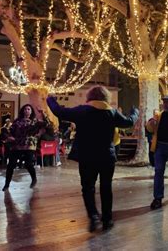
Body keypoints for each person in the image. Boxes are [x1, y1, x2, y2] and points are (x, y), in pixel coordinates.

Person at [47, 86, 139, 232]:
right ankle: (107, 220)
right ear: (106, 97)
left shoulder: (82, 110)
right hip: (106, 156)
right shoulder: (112, 113)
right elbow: (128, 122)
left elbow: (59, 111)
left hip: (87, 156)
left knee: (88, 188)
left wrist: (50, 99)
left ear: (89, 97)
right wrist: (135, 112)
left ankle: (93, 216)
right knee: (106, 188)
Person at [2, 105, 51, 191]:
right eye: (25, 109)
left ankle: (34, 179)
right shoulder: (17, 121)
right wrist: (9, 137)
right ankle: (6, 184)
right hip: (17, 145)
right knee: (11, 165)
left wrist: (42, 113)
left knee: (28, 164)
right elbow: (10, 131)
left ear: (31, 111)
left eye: (28, 109)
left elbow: (47, 124)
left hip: (29, 145)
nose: (27, 110)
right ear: (23, 111)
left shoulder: (35, 121)